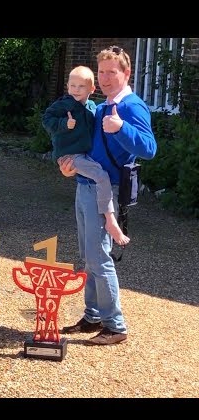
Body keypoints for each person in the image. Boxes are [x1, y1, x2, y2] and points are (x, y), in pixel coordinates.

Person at [58, 46, 157, 345]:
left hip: (106, 190)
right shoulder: (102, 106)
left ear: (126, 73)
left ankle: (115, 326)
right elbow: (90, 148)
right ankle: (93, 316)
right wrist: (70, 168)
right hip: (85, 185)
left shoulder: (131, 107)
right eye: (101, 72)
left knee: (99, 258)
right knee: (89, 256)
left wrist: (122, 127)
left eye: (112, 72)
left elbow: (149, 149)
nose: (105, 78)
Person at [43, 65, 129, 246]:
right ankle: (110, 220)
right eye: (72, 85)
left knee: (101, 175)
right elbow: (47, 119)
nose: (76, 90)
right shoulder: (65, 104)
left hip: (83, 155)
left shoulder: (92, 107)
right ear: (67, 87)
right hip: (69, 155)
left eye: (81, 86)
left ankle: (109, 218)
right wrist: (64, 124)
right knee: (101, 176)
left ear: (92, 89)